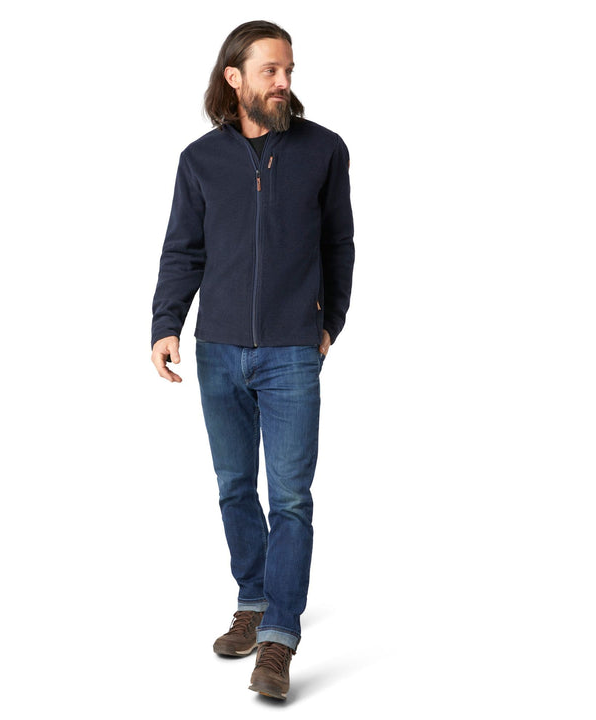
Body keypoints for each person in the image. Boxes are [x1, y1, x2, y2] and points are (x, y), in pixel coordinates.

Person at [151, 20, 354, 700]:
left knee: (290, 497)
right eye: (271, 71)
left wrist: (330, 322)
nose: (284, 83)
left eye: (289, 70)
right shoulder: (200, 160)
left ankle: (279, 639)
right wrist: (166, 324)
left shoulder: (324, 150)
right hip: (219, 350)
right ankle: (253, 599)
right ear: (234, 77)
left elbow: (339, 243)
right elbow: (184, 249)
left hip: (293, 350)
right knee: (235, 486)